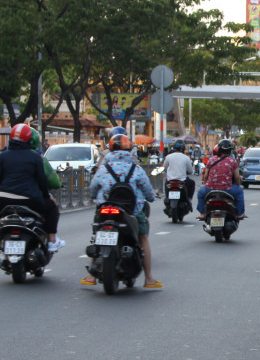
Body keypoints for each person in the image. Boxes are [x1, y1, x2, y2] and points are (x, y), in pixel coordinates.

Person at [82, 134, 160, 287]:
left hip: (105, 209)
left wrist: (94, 197)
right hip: (132, 211)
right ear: (129, 149)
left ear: (110, 149)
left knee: (98, 235)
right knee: (142, 238)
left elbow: (92, 189)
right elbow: (147, 191)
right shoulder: (136, 169)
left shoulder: (104, 168)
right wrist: (151, 197)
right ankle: (149, 278)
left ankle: (91, 275)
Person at [0, 123, 64, 251]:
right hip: (29, 200)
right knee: (51, 208)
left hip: (3, 199)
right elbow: (42, 181)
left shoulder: (2, 156)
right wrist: (46, 196)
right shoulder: (35, 157)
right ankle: (52, 241)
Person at [196, 138, 246, 220]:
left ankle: (202, 214)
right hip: (227, 189)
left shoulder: (211, 159)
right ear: (230, 150)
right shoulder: (232, 161)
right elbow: (237, 177)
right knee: (240, 192)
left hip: (209, 188)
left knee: (200, 193)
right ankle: (240, 214)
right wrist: (238, 185)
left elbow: (206, 176)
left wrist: (205, 184)